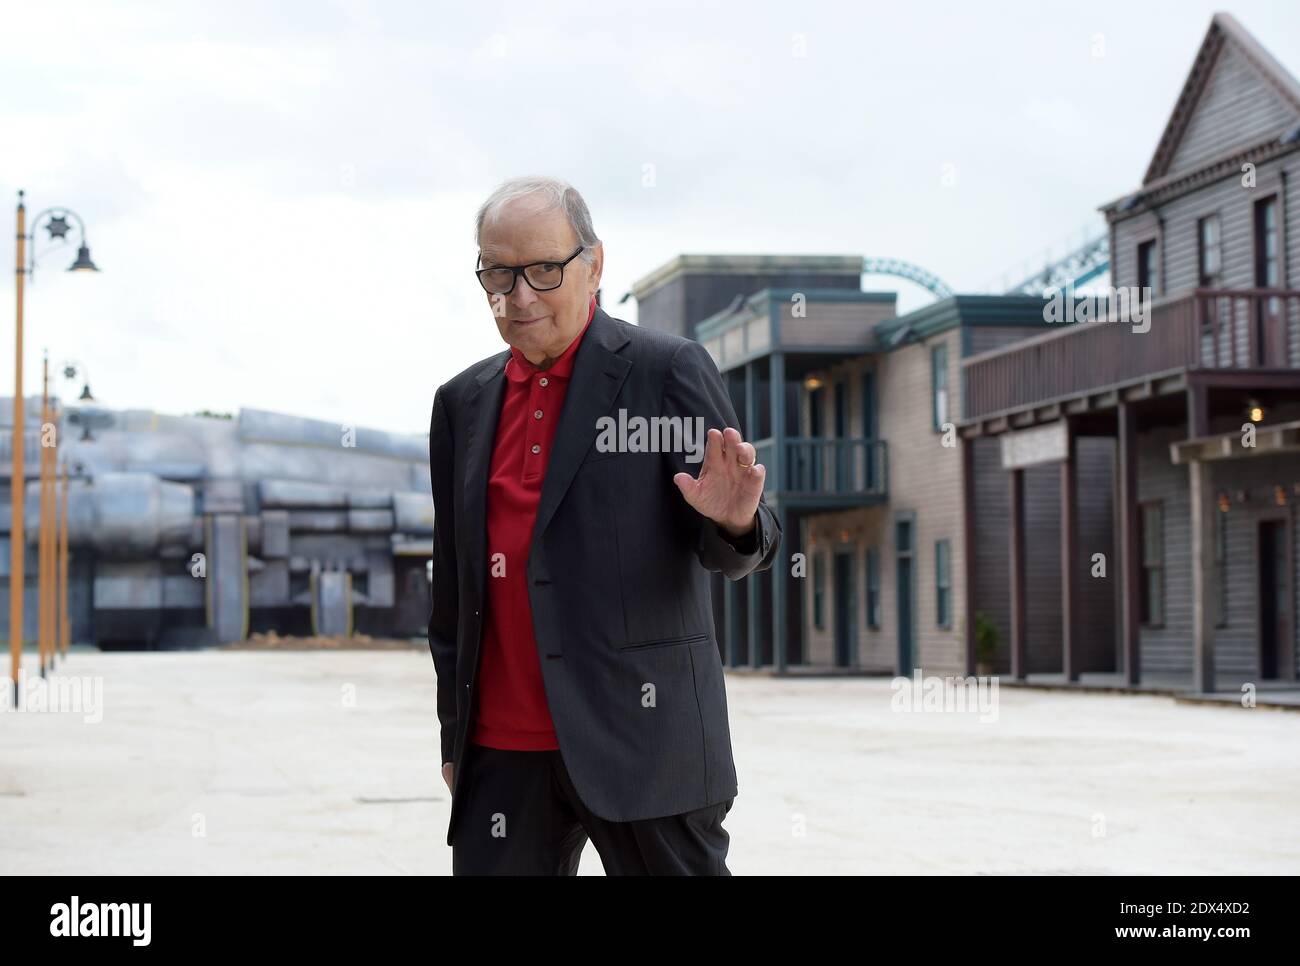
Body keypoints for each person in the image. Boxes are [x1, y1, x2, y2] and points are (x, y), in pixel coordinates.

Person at [427, 175, 780, 875]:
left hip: (646, 744)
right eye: (499, 272)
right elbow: (453, 589)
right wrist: (454, 737)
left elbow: (743, 540)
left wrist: (736, 522)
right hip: (502, 752)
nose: (519, 295)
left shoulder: (663, 372)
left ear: (595, 264)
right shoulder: (461, 403)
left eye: (544, 270)